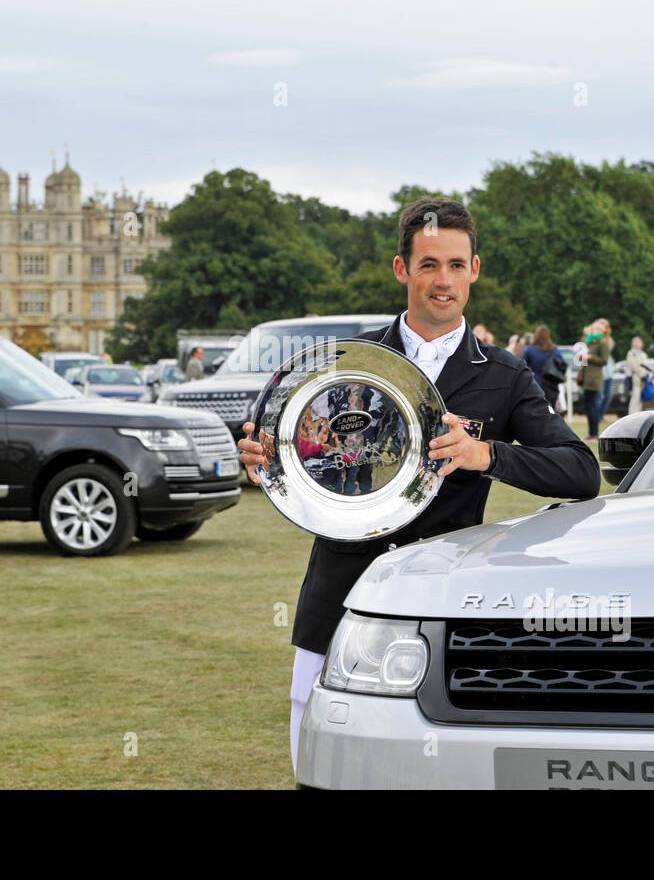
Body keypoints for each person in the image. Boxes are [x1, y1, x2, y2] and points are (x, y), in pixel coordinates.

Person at [237, 196, 600, 772]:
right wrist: (264, 458)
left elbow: (581, 472)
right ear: (402, 269)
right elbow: (297, 453)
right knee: (317, 722)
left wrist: (486, 454)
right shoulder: (346, 362)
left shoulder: (503, 374)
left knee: (437, 744)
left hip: (443, 594)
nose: (443, 281)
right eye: (429, 264)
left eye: (457, 265)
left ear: (475, 270)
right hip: (342, 581)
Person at [580, 320, 609, 440]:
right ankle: (590, 433)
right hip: (586, 378)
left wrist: (590, 357)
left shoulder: (603, 342)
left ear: (604, 330)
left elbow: (604, 360)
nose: (597, 328)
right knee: (588, 406)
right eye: (596, 326)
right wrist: (582, 357)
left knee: (593, 407)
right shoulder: (589, 341)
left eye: (600, 327)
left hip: (595, 379)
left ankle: (595, 433)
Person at [521, 325, 563, 410]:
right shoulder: (554, 350)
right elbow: (561, 364)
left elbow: (522, 365)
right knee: (550, 412)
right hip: (551, 384)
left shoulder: (530, 350)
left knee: (536, 410)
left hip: (535, 383)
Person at [625, 336, 653, 414]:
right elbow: (634, 366)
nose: (637, 344)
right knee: (634, 400)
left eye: (639, 342)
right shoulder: (631, 353)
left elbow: (646, 366)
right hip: (635, 380)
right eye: (636, 342)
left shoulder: (643, 354)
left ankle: (638, 415)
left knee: (640, 400)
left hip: (643, 380)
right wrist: (642, 374)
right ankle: (632, 415)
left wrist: (646, 375)